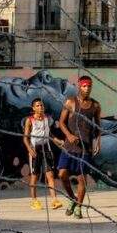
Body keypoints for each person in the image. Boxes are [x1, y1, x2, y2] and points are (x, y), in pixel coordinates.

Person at [57, 76, 101, 219]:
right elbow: (61, 123)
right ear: (79, 86)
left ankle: (79, 207)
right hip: (69, 147)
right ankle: (72, 199)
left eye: (89, 86)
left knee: (82, 179)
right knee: (62, 174)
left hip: (85, 148)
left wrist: (98, 142)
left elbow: (98, 127)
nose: (87, 88)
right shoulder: (70, 102)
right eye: (84, 86)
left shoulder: (95, 105)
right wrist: (69, 135)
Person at [24, 98, 62, 211]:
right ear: (33, 108)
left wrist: (57, 140)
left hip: (47, 149)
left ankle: (54, 200)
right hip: (35, 150)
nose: (40, 107)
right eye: (38, 105)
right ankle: (34, 201)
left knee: (50, 175)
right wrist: (29, 149)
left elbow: (49, 134)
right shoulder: (29, 120)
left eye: (41, 105)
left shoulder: (46, 119)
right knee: (34, 176)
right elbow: (25, 138)